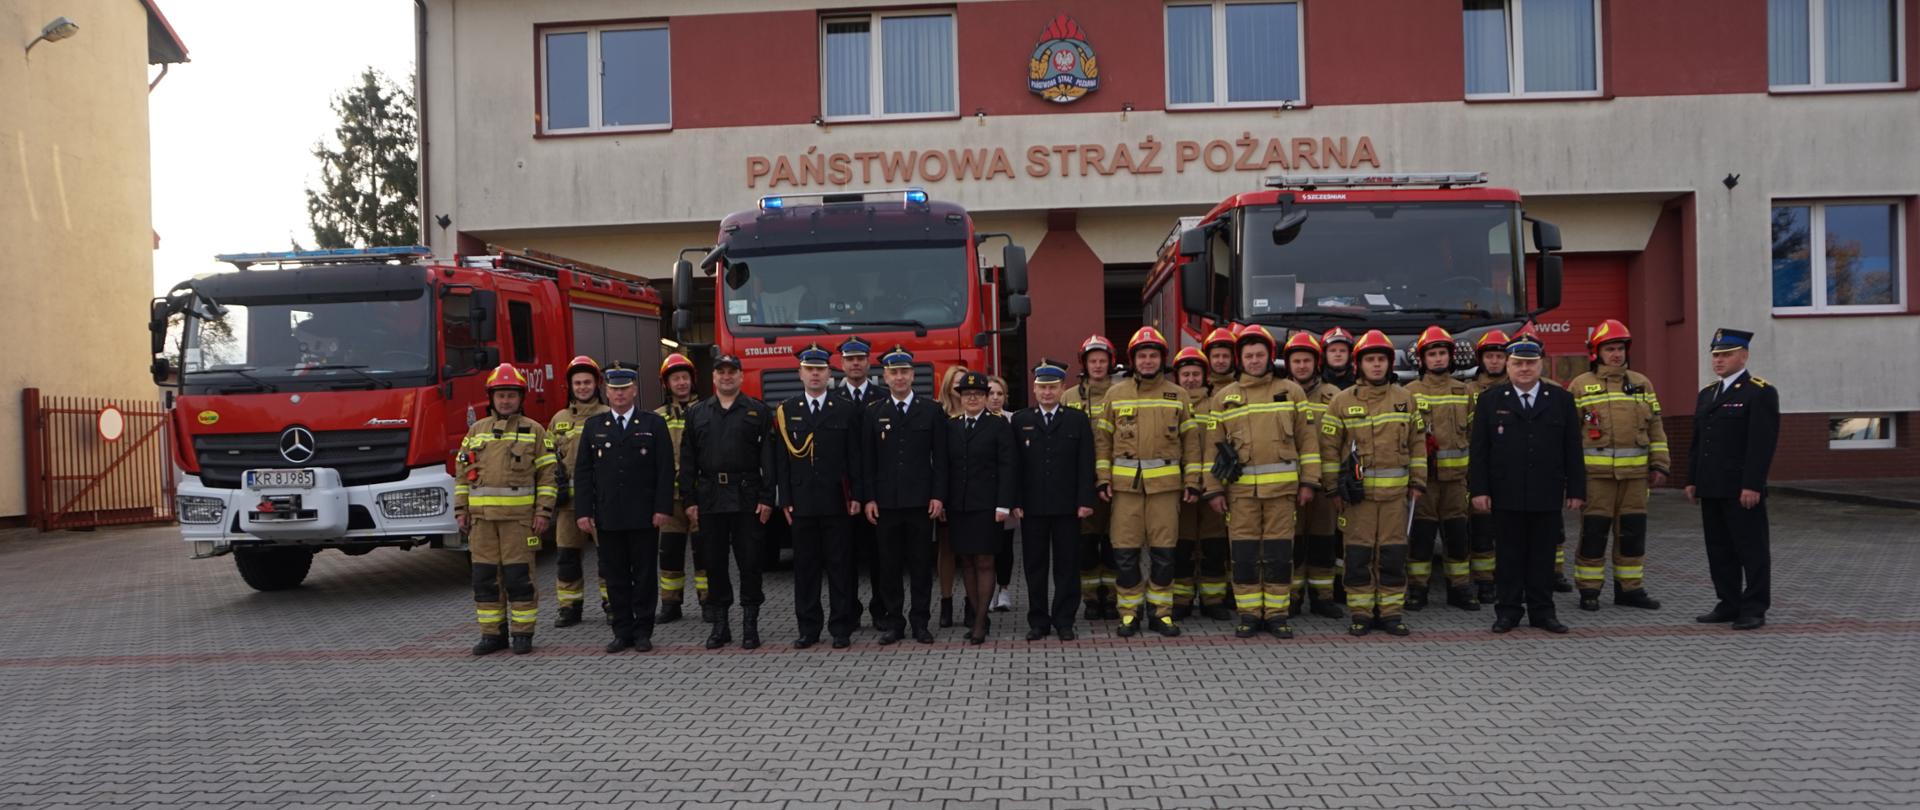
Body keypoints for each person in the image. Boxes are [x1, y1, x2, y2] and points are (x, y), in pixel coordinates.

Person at [1204, 326, 1319, 639]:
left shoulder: (1291, 392)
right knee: (1243, 556)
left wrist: (1309, 482)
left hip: (1283, 494)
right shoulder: (1224, 398)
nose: (1254, 361)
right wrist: (1213, 489)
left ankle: (1277, 615)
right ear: (1240, 359)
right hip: (1240, 496)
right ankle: (1249, 614)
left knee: (1279, 555)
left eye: (1259, 354)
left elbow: (1308, 443)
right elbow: (1211, 449)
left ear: (1270, 356)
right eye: (1248, 355)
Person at [1469, 335, 1582, 634]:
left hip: (1546, 492)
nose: (1524, 369)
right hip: (1505, 493)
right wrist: (1479, 490)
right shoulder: (1490, 400)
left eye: (1530, 363)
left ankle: (1543, 613)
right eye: (1518, 363)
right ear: (1507, 365)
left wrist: (1576, 490)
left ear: (1540, 364)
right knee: (1508, 556)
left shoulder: (1561, 399)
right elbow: (1479, 450)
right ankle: (1507, 612)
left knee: (1543, 558)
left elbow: (1573, 449)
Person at [1095, 326, 1201, 637]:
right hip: (1126, 489)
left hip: (1166, 490)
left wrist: (1192, 481)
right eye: (1142, 356)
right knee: (1125, 554)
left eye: (1153, 355)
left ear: (1162, 359)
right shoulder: (1116, 394)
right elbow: (1103, 442)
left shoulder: (1177, 395)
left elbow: (1191, 444)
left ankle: (1161, 613)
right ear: (1133, 360)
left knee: (1163, 554)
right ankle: (1129, 613)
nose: (1147, 361)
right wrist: (1103, 479)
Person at [1319, 330, 1425, 637]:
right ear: (1359, 365)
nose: (1376, 365)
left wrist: (1418, 482)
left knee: (1392, 554)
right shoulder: (1340, 402)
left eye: (1381, 360)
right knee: (1358, 555)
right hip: (1357, 499)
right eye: (1370, 360)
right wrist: (1333, 488)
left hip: (1395, 498)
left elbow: (1417, 444)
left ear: (1389, 363)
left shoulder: (1406, 400)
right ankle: (1361, 612)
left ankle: (1391, 613)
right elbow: (1328, 449)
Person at [454, 363, 558, 656]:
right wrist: (461, 510)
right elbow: (462, 475)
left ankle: (523, 634)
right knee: (485, 579)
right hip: (482, 523)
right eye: (500, 395)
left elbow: (548, 477)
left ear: (520, 397)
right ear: (491, 398)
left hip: (519, 523)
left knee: (519, 578)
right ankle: (492, 635)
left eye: (511, 395)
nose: (505, 401)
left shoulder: (534, 431)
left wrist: (543, 513)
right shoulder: (476, 431)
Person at [1567, 319, 1670, 612]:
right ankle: (1589, 591)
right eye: (1610, 348)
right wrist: (1571, 478)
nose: (1616, 354)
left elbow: (1656, 427)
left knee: (1632, 535)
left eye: (1620, 348)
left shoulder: (1641, 384)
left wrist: (1660, 464)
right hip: (1596, 478)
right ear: (1595, 353)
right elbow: (1570, 436)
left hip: (1635, 478)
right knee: (1594, 534)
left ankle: (1630, 590)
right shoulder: (1580, 386)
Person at [571, 363, 674, 653]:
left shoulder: (653, 424)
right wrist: (583, 512)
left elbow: (665, 471)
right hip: (608, 515)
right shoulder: (594, 427)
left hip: (644, 515)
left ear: (635, 390)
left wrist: (662, 508)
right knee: (614, 576)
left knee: (643, 575)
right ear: (607, 391)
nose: (619, 394)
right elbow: (583, 473)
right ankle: (622, 631)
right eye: (614, 389)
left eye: (624, 388)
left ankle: (643, 631)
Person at [679, 354, 776, 650]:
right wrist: (689, 499)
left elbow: (768, 460)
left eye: (731, 372)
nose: (726, 377)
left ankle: (750, 625)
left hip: (747, 497)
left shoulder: (757, 412)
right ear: (714, 378)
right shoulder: (697, 413)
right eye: (720, 372)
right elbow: (687, 460)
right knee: (714, 563)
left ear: (741, 376)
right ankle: (721, 626)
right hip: (710, 498)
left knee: (750, 562)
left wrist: (767, 498)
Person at [772, 343, 864, 649]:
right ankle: (808, 628)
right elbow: (782, 461)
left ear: (829, 373)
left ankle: (841, 627)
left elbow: (855, 458)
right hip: (801, 502)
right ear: (800, 374)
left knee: (840, 566)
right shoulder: (787, 411)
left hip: (837, 500)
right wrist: (784, 499)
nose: (814, 374)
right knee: (806, 569)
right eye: (809, 369)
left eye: (820, 369)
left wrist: (857, 495)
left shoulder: (845, 408)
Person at [1686, 328, 1778, 631]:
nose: (1718, 360)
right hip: (1712, 486)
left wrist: (1753, 484)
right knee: (1719, 549)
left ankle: (1754, 607)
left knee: (1750, 549)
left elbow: (1761, 444)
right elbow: (1699, 442)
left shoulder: (1759, 392)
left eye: (1725, 354)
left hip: (1741, 488)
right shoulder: (1707, 393)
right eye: (1715, 355)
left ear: (1743, 356)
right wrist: (1692, 479)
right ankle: (1728, 602)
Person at [862, 346, 949, 644]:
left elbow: (941, 459)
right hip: (886, 504)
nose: (899, 377)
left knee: (921, 565)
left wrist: (938, 496)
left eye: (904, 372)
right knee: (888, 565)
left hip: (920, 503)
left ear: (913, 375)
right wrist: (870, 498)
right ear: (884, 377)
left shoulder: (931, 410)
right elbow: (868, 462)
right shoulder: (874, 413)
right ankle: (894, 622)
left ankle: (920, 622)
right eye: (893, 372)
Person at [1011, 359, 1096, 641]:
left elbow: (1086, 463)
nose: (1047, 393)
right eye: (1042, 387)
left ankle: (1064, 620)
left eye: (1052, 387)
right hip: (1033, 507)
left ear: (1062, 388)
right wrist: (1016, 500)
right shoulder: (1022, 420)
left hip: (1067, 506)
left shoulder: (1077, 420)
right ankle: (1038, 621)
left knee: (1067, 565)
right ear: (1034, 390)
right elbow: (1015, 467)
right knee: (1034, 566)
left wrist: (1085, 500)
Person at [1403, 326, 1479, 612]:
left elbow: (1473, 435)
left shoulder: (1464, 392)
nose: (1437, 359)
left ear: (1451, 357)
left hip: (1457, 482)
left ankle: (1459, 589)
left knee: (1458, 537)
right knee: (1421, 539)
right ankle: (1418, 591)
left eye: (1442, 353)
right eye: (1432, 354)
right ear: (1422, 360)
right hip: (1425, 483)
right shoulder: (1409, 394)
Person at [945, 371, 1017, 644]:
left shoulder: (999, 426)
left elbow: (1008, 468)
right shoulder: (951, 426)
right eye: (966, 394)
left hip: (988, 506)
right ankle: (979, 616)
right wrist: (941, 499)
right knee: (967, 562)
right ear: (960, 398)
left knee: (985, 561)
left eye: (977, 394)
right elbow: (944, 467)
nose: (972, 398)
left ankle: (978, 623)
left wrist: (1004, 505)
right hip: (959, 506)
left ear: (986, 398)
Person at [1283, 331, 1346, 619]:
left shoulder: (1335, 396)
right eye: (1296, 361)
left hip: (1323, 484)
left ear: (1316, 363)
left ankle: (1323, 597)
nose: (1301, 366)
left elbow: (1344, 440)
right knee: (1292, 543)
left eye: (1307, 360)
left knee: (1323, 540)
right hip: (1287, 483)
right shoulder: (1279, 394)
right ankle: (1292, 598)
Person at [548, 355, 610, 627]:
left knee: (608, 557)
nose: (583, 387)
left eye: (587, 382)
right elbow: (548, 459)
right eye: (577, 383)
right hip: (568, 505)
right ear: (570, 387)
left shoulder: (608, 416)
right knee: (567, 558)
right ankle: (569, 608)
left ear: (596, 385)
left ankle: (613, 603)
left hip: (602, 503)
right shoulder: (558, 419)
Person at [830, 337, 888, 630]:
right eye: (850, 359)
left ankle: (881, 610)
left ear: (868, 362)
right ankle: (849, 611)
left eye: (860, 359)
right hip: (844, 492)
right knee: (845, 556)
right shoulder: (832, 400)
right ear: (841, 364)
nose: (855, 364)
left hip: (876, 489)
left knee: (879, 555)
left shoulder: (882, 396)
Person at [1171, 347, 1232, 621]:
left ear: (1205, 376)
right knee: (1181, 548)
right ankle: (1181, 600)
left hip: (1213, 488)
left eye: (1196, 374)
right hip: (1180, 489)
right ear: (1177, 377)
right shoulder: (1171, 403)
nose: (1191, 379)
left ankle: (1213, 600)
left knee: (1213, 547)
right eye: (1185, 374)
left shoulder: (1216, 404)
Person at [1064, 334, 1119, 620]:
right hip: (1082, 482)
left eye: (1102, 360)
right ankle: (1090, 600)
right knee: (1086, 543)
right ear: (1084, 363)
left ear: (1111, 362)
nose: (1098, 366)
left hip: (1115, 481)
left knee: (1113, 542)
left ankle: (1111, 598)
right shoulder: (1069, 397)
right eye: (1092, 361)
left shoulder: (1123, 393)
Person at [654, 353, 708, 623]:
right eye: (675, 378)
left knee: (704, 553)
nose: (681, 383)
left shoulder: (707, 411)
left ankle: (709, 602)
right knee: (670, 553)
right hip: (671, 498)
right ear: (667, 384)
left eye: (685, 377)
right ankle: (670, 604)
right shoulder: (656, 418)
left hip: (701, 496)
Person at [1464, 329, 1511, 604]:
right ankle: (1484, 583)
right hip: (1481, 471)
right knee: (1481, 531)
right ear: (1481, 360)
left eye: (1500, 356)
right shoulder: (1468, 391)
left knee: (1510, 530)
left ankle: (1509, 579)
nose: (1495, 361)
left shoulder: (1517, 389)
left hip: (1511, 472)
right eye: (1490, 356)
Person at [934, 363, 969, 628]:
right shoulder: (939, 416)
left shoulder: (978, 412)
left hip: (974, 494)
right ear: (947, 386)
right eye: (956, 382)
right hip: (948, 492)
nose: (960, 387)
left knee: (971, 552)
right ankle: (946, 604)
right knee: (946, 550)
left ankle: (972, 603)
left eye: (964, 382)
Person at [986, 376, 1018, 614]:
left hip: (1007, 493)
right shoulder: (977, 420)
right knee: (986, 547)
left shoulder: (1014, 421)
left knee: (1005, 546)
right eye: (991, 393)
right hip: (983, 496)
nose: (995, 397)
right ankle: (985, 592)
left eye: (1000, 393)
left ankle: (1004, 590)